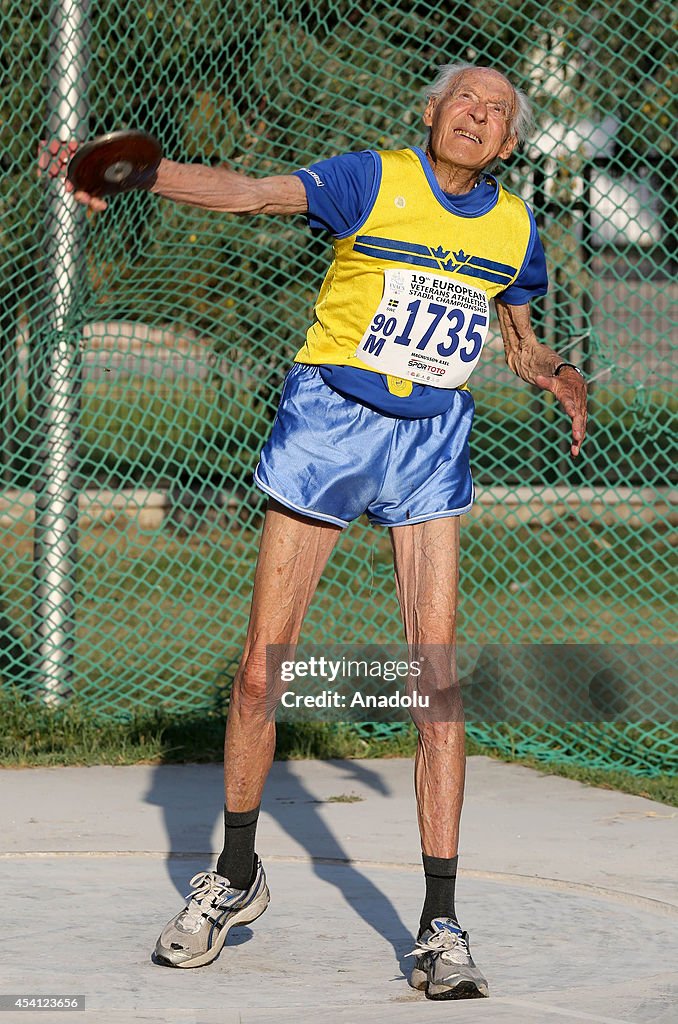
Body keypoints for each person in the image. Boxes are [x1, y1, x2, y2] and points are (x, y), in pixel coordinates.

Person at [71, 63, 587, 1000]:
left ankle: (440, 926)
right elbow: (252, 192)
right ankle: (233, 874)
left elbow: (520, 335)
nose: (478, 115)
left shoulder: (516, 229)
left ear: (511, 143)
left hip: (430, 443)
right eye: (464, 101)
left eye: (498, 112)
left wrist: (550, 366)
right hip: (329, 429)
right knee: (265, 664)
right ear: (429, 113)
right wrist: (135, 171)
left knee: (436, 680)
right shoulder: (369, 179)